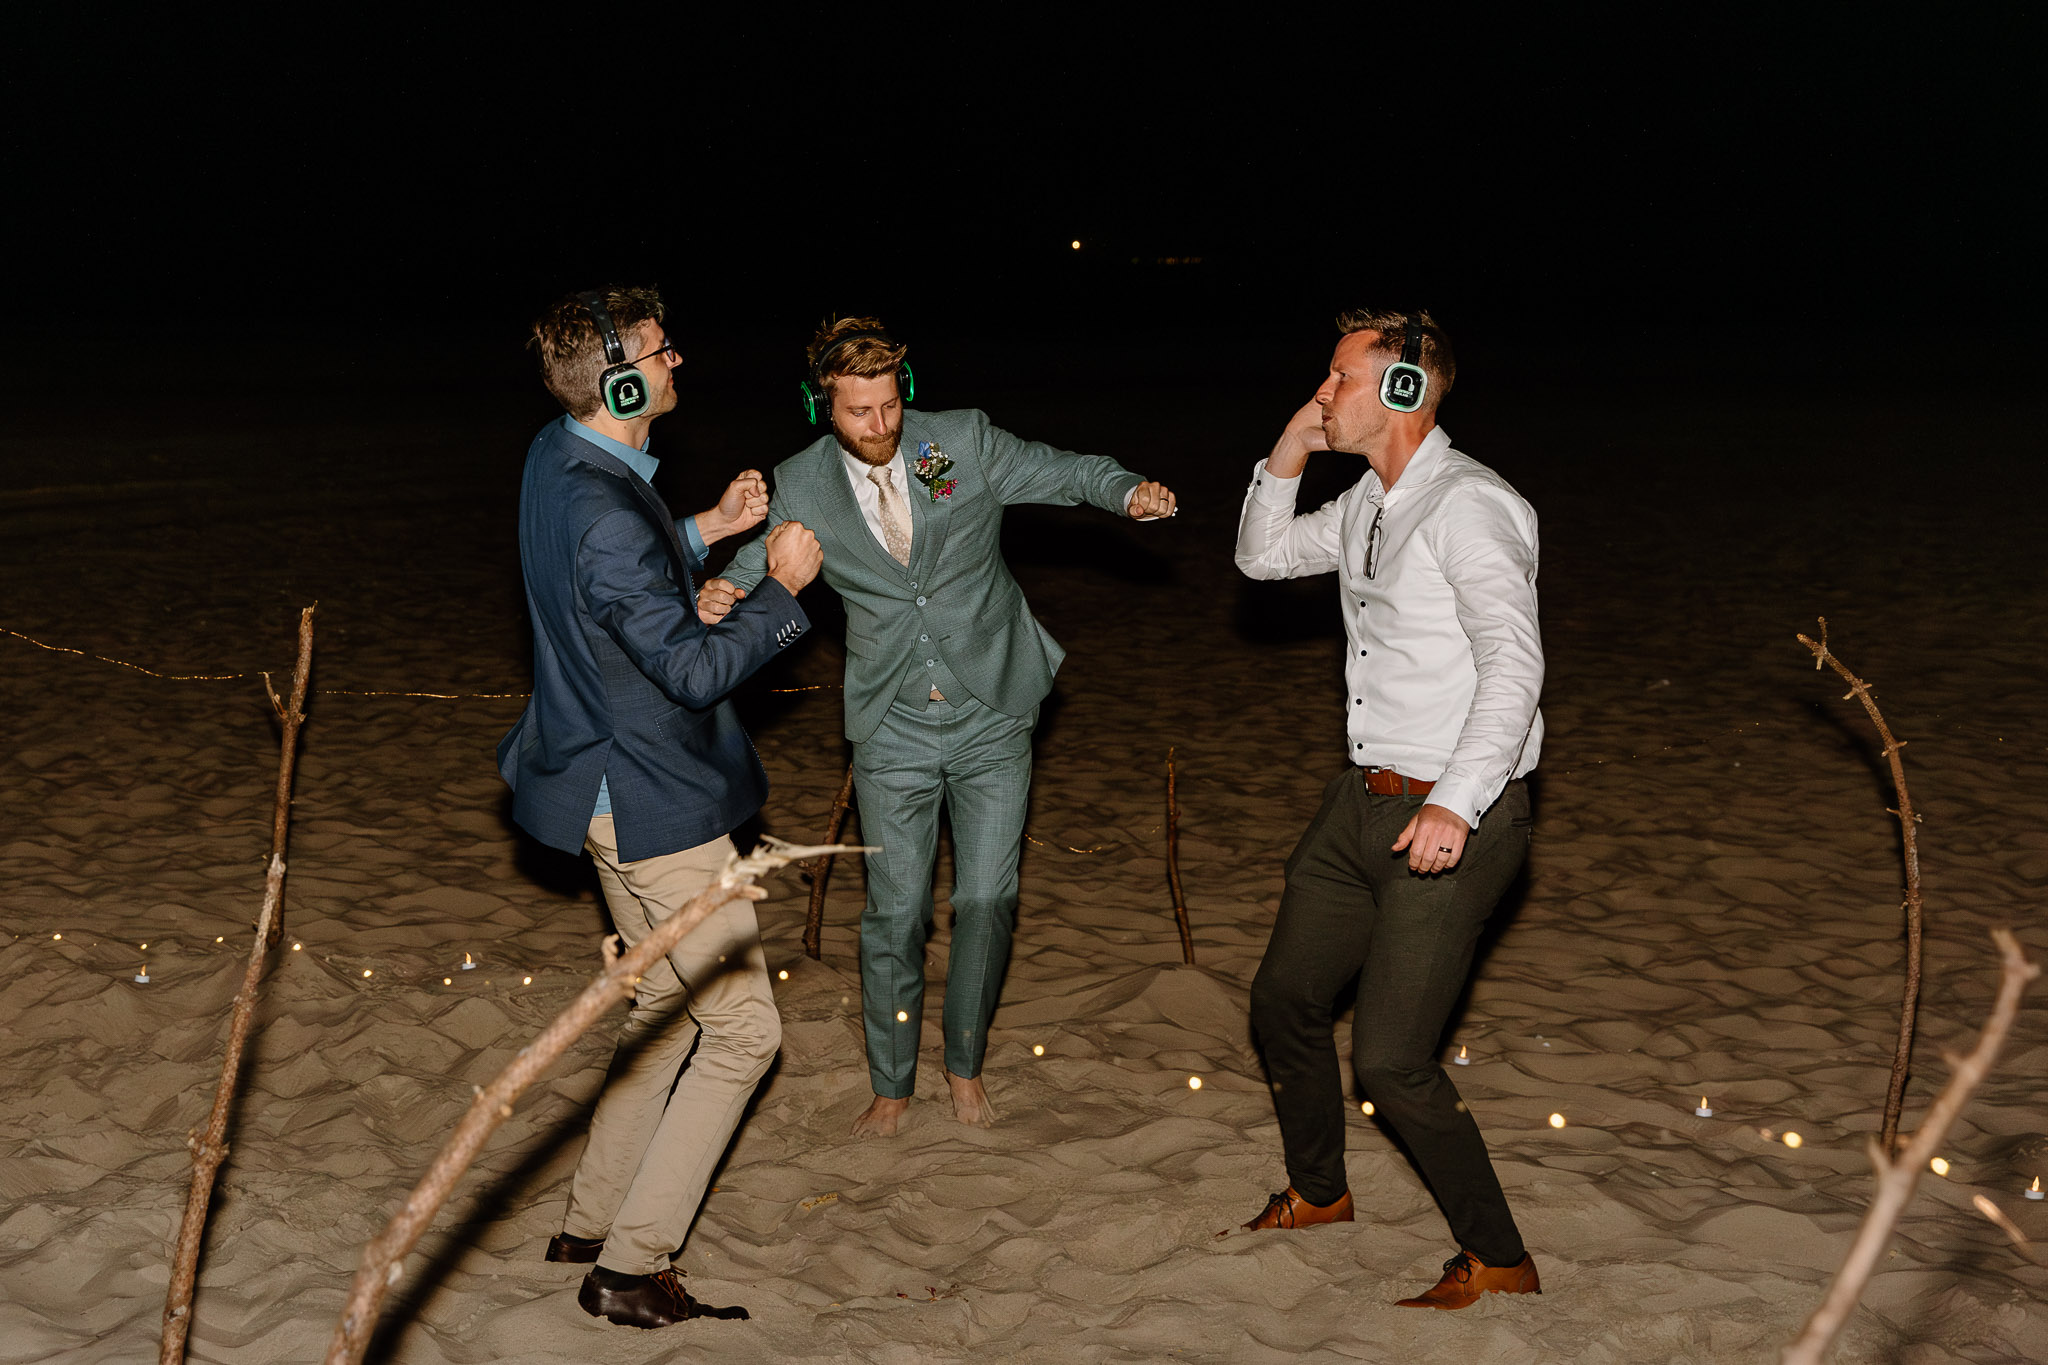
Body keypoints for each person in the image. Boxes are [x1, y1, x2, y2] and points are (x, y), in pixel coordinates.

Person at [706, 317, 1177, 1137]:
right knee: (895, 914)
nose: (880, 428)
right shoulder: (803, 482)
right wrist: (720, 593)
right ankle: (892, 1085)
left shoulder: (955, 442)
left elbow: (1062, 471)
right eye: (859, 413)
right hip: (891, 724)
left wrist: (1125, 489)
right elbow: (753, 571)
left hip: (994, 706)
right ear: (824, 406)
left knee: (989, 898)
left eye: (890, 406)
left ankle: (964, 1067)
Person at [498, 285, 823, 1330]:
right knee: (741, 1032)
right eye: (659, 351)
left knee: (659, 1003)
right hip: (649, 798)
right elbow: (687, 675)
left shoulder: (561, 455)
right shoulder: (599, 504)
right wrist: (777, 590)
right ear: (622, 379)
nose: (678, 361)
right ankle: (632, 1268)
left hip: (592, 777)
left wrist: (702, 535)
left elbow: (615, 580)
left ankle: (589, 1222)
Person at [1230, 308, 1545, 1311]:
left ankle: (1499, 1260)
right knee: (1282, 1000)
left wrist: (1455, 803)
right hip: (1358, 805)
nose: (1322, 393)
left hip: (1455, 815)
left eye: (1338, 379)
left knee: (1392, 1064)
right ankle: (1320, 1193)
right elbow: (1260, 558)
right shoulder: (1371, 501)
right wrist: (1288, 448)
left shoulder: (1470, 507)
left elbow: (1514, 665)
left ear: (1405, 391)